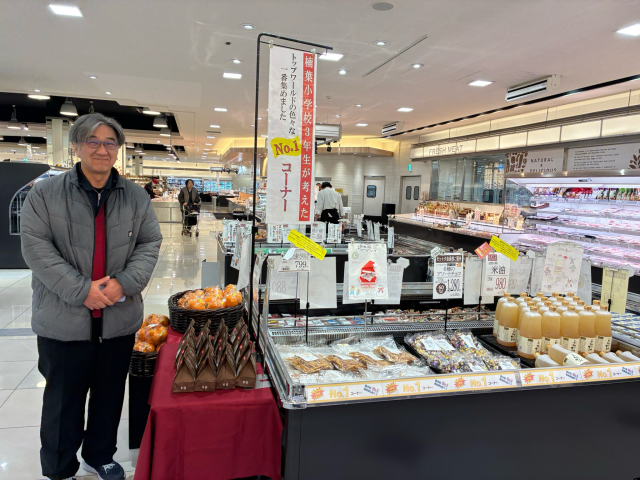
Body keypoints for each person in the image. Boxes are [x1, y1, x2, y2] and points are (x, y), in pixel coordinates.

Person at [20, 113, 163, 480]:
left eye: (110, 142)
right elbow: (36, 248)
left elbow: (149, 242)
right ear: (77, 146)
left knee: (110, 395)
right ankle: (59, 467)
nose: (102, 149)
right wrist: (81, 290)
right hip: (63, 318)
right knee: (63, 398)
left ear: (118, 149)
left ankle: (99, 455)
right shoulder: (45, 194)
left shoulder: (135, 196)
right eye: (93, 141)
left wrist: (123, 283)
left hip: (117, 319)